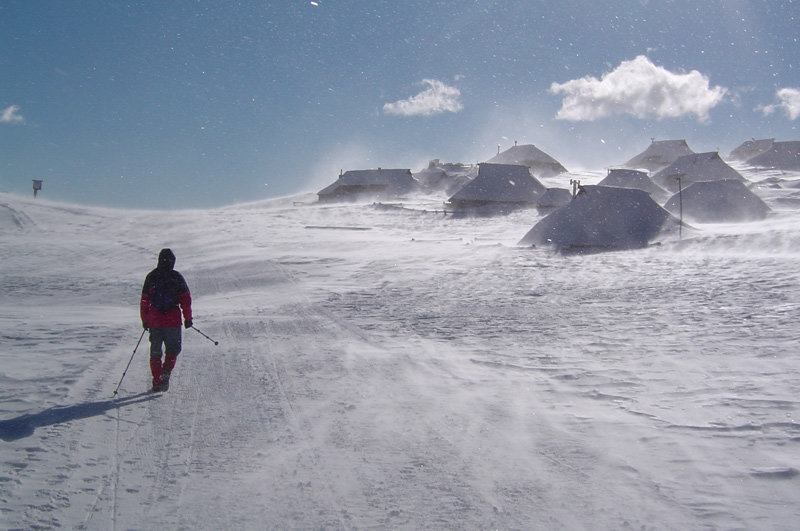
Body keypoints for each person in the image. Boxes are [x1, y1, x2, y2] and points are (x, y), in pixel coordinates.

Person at [140, 248, 192, 392]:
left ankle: (157, 381)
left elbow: (145, 300)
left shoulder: (152, 276)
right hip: (172, 321)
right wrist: (188, 319)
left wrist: (145, 319)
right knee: (173, 349)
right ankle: (166, 372)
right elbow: (185, 300)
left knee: (155, 352)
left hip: (155, 320)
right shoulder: (176, 277)